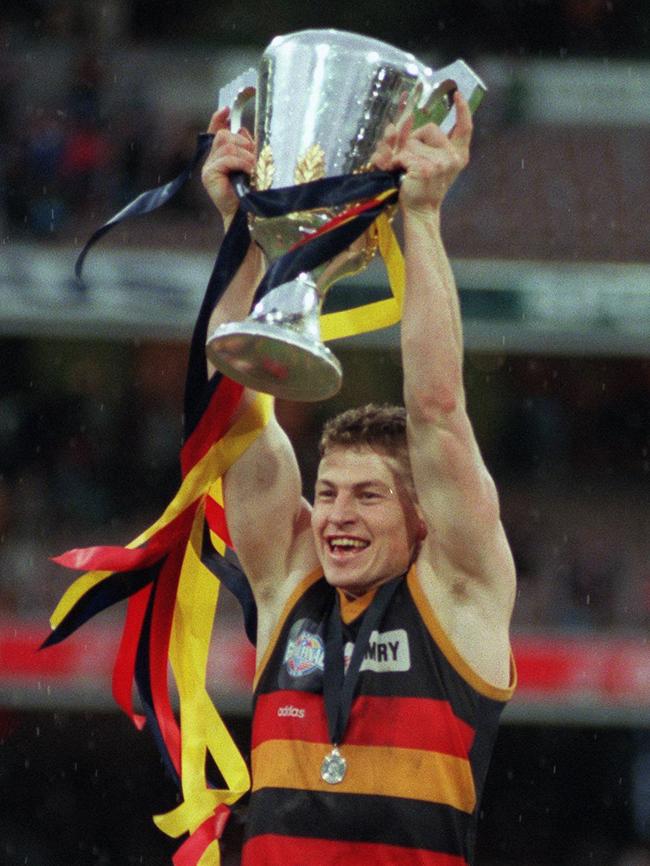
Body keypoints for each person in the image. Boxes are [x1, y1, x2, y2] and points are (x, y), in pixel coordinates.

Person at [201, 91, 517, 865]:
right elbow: (235, 404)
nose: (335, 516)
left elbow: (437, 410)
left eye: (368, 495)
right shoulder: (289, 585)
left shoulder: (462, 595)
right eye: (330, 492)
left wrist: (426, 216)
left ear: (423, 519)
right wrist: (240, 229)